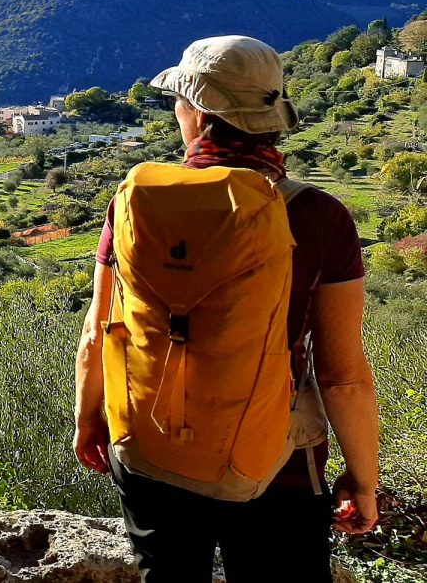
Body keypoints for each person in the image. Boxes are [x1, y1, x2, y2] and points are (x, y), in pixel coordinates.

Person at [72, 35, 380, 582]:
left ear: (194, 112)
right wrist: (363, 479)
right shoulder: (319, 216)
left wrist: (89, 419)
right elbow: (342, 377)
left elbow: (98, 333)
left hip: (151, 445)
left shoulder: (134, 202)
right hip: (278, 462)